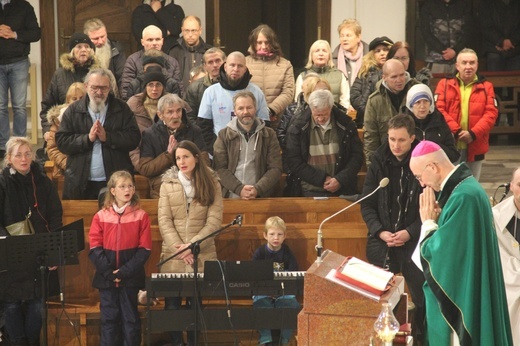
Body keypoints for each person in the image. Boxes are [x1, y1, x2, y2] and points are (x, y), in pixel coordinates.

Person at [410, 140, 513, 345]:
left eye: (419, 177)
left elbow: (441, 258)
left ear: (433, 167)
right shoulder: (464, 189)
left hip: (464, 298)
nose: (421, 183)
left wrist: (428, 223)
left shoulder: (464, 197)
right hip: (470, 287)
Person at [360, 114, 424, 343]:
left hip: (414, 241)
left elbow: (432, 207)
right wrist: (379, 231)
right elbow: (367, 203)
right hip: (383, 240)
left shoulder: (422, 160)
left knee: (422, 298)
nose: (396, 145)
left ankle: (420, 339)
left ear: (413, 139)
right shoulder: (379, 160)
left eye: (401, 140)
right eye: (391, 139)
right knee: (377, 298)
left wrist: (410, 232)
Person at [158, 140, 223, 346]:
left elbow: (214, 222)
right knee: (172, 308)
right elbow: (164, 221)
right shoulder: (167, 184)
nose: (182, 162)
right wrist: (181, 249)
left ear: (196, 157)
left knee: (195, 307)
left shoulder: (212, 183)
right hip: (173, 254)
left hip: (201, 255)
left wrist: (192, 246)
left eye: (186, 156)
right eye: (178, 158)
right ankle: (177, 343)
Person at [0, 137, 63, 346]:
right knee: (11, 305)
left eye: (27, 153)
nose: (24, 158)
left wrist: (54, 249)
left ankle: (32, 342)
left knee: (37, 305)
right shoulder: (2, 183)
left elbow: (55, 214)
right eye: (18, 155)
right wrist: (9, 245)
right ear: (9, 159)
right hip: (11, 254)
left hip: (39, 253)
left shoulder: (43, 181)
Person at [56, 68, 141, 200]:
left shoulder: (122, 108)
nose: (99, 92)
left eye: (104, 88)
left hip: (115, 182)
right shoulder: (73, 111)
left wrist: (108, 137)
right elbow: (62, 142)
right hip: (80, 181)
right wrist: (87, 139)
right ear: (86, 86)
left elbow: (134, 138)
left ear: (110, 88)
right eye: (95, 88)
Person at [89, 170, 151, 346]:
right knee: (109, 321)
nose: (127, 189)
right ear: (113, 191)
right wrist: (109, 272)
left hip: (130, 278)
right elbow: (94, 248)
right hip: (106, 279)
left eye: (130, 185)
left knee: (131, 321)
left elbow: (145, 249)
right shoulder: (101, 216)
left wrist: (123, 272)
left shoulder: (141, 216)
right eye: (122, 186)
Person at [434, 48, 498, 181]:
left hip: (475, 143)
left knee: (472, 185)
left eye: (472, 63)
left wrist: (473, 133)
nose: (468, 67)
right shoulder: (444, 84)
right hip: (450, 142)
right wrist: (457, 131)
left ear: (477, 65)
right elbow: (439, 110)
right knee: (449, 186)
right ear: (457, 66)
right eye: (464, 63)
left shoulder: (487, 87)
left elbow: (491, 113)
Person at [285, 89, 363, 197]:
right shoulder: (297, 127)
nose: (320, 119)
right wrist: (322, 179)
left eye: (324, 114)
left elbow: (357, 156)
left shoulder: (346, 125)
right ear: (311, 108)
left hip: (342, 188)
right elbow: (293, 160)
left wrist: (340, 179)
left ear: (331, 108)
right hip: (309, 190)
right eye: (317, 115)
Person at [213, 91, 282, 199]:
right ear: (235, 111)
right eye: (240, 108)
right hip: (231, 196)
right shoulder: (223, 135)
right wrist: (239, 189)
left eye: (249, 107)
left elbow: (275, 168)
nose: (245, 112)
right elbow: (220, 168)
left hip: (260, 196)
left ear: (255, 108)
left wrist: (257, 189)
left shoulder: (269, 135)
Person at [197, 51, 270, 153]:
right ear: (225, 67)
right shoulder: (211, 92)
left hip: (250, 153)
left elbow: (264, 125)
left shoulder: (256, 92)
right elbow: (203, 127)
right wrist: (217, 149)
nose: (236, 69)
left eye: (240, 66)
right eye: (232, 65)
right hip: (218, 152)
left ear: (245, 69)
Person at [140, 94, 206, 198]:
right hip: (162, 187)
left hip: (192, 182)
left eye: (178, 111)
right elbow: (145, 169)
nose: (175, 116)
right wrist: (168, 155)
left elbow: (204, 161)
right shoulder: (149, 134)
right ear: (160, 115)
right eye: (170, 112)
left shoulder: (194, 131)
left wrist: (187, 170)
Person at [40, 32, 99, 142]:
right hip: (64, 128)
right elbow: (47, 106)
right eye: (79, 47)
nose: (83, 50)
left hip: (93, 126)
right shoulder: (60, 75)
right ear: (72, 51)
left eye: (87, 47)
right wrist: (47, 129)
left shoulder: (99, 74)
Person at [0, 0, 40, 159]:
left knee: (19, 106)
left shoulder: (24, 6)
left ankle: (20, 144)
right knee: (0, 107)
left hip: (19, 62)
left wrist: (14, 34)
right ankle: (3, 147)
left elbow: (36, 33)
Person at [252, 216, 300, 346]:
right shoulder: (260, 252)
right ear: (265, 235)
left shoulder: (287, 252)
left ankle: (284, 339)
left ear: (285, 236)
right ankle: (265, 338)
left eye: (279, 234)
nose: (276, 238)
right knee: (261, 303)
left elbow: (293, 272)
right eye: (272, 234)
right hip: (263, 290)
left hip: (284, 291)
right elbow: (254, 275)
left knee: (290, 303)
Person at [363, 59, 419, 166]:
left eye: (402, 75)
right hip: (386, 160)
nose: (399, 80)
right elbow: (371, 137)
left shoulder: (417, 92)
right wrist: (373, 167)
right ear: (384, 78)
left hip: (415, 158)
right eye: (394, 77)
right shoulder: (375, 101)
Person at [245, 24, 295, 129]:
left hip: (277, 121)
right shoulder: (244, 63)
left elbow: (288, 92)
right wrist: (257, 112)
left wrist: (270, 110)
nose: (263, 46)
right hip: (251, 121)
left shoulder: (285, 64)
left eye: (267, 42)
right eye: (259, 42)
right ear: (253, 43)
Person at [493, 167, 520, 346]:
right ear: (511, 186)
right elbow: (498, 257)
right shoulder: (496, 216)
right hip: (509, 281)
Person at [121, 25, 182, 101]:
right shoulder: (132, 60)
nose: (154, 43)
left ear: (162, 41)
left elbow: (179, 90)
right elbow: (126, 90)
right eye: (150, 40)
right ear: (142, 42)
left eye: (157, 39)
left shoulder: (172, 62)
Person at [405, 83, 459, 162]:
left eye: (426, 101)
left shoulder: (439, 121)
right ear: (411, 105)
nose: (422, 106)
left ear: (431, 103)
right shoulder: (403, 123)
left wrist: (434, 147)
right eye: (418, 102)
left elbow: (454, 154)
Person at [127, 68, 168, 172]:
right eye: (150, 85)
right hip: (141, 160)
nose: (154, 89)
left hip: (166, 159)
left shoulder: (172, 104)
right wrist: (139, 165)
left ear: (163, 87)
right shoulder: (133, 105)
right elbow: (130, 139)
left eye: (158, 84)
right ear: (145, 87)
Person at [420, 0, 474, 75]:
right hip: (436, 60)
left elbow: (468, 31)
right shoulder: (429, 5)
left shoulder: (464, 5)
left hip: (460, 60)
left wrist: (455, 50)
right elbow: (426, 32)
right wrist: (443, 50)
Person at [350, 36, 394, 128]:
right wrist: (370, 110)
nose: (382, 53)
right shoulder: (364, 72)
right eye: (378, 51)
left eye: (385, 50)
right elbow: (354, 96)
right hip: (365, 121)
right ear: (372, 55)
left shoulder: (396, 71)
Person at [295, 40, 350, 112]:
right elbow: (298, 101)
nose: (321, 54)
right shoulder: (302, 76)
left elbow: (345, 101)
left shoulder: (340, 75)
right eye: (317, 51)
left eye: (324, 51)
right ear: (311, 55)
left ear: (329, 55)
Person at [46, 82, 87, 177]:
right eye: (74, 99)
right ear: (68, 101)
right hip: (65, 169)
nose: (78, 101)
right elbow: (52, 149)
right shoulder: (58, 121)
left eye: (81, 98)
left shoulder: (94, 118)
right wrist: (68, 165)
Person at [168, 15, 212, 89]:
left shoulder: (209, 52)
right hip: (180, 96)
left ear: (200, 30)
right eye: (187, 31)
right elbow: (170, 79)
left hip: (204, 94)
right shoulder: (174, 51)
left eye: (193, 30)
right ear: (182, 30)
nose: (190, 35)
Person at [184, 47, 225, 125]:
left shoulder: (234, 84)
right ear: (205, 66)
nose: (215, 65)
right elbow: (190, 117)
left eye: (218, 61)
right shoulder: (194, 88)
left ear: (225, 62)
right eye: (210, 62)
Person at [478, 0, 520, 72]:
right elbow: (485, 26)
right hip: (493, 48)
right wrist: (501, 42)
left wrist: (512, 41)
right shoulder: (486, 3)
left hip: (517, 48)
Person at [84, 18, 126, 88]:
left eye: (103, 36)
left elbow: (122, 77)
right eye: (96, 39)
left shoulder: (117, 49)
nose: (100, 41)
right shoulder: (82, 54)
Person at [331, 18, 369, 88]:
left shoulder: (369, 57)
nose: (344, 39)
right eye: (342, 36)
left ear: (358, 37)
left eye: (348, 35)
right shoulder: (333, 59)